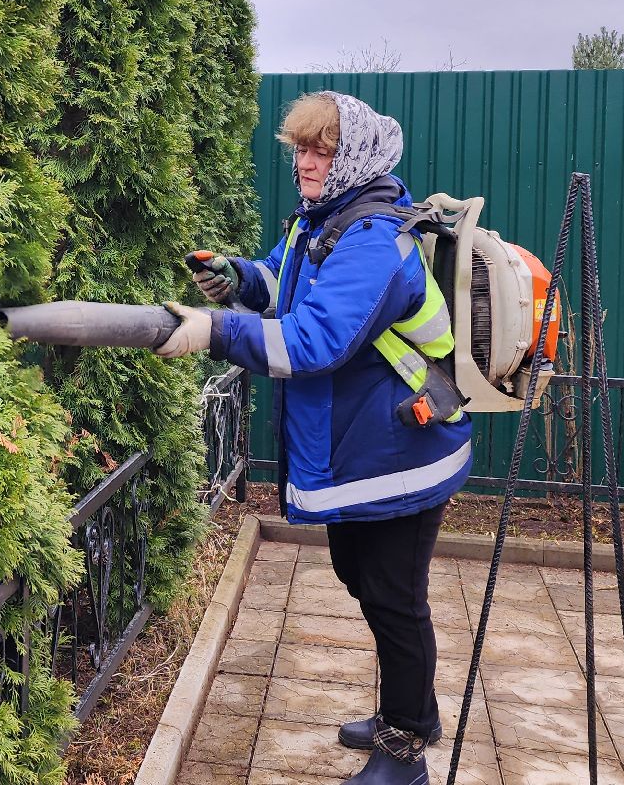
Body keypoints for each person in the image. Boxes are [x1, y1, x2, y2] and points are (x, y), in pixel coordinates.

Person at [157, 90, 471, 785]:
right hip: (367, 450)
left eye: (319, 151)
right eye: (299, 148)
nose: (303, 162)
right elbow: (284, 286)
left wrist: (214, 330)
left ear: (350, 157)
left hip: (403, 454)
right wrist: (237, 278)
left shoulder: (373, 241)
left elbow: (314, 338)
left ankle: (405, 750)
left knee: (395, 597)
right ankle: (411, 710)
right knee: (360, 577)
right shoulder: (320, 222)